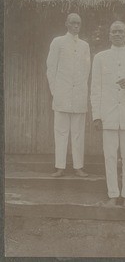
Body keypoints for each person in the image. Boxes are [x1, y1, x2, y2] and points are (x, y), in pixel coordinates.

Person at [90, 21, 125, 207]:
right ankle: (113, 194)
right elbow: (95, 88)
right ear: (109, 35)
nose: (117, 34)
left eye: (121, 31)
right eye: (114, 31)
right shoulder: (100, 57)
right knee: (110, 156)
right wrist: (97, 115)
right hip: (108, 115)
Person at [46, 13, 91, 177]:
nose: (75, 25)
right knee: (61, 131)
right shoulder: (58, 42)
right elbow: (51, 68)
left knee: (78, 132)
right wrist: (55, 91)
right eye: (72, 22)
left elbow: (87, 71)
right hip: (62, 94)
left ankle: (78, 166)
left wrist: (81, 90)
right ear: (66, 23)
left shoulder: (85, 45)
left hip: (78, 94)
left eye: (78, 23)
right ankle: (60, 166)